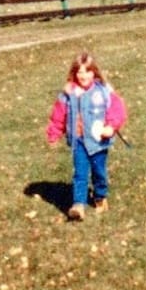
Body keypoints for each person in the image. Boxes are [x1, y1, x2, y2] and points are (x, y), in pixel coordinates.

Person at [45, 52, 128, 221]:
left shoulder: (103, 91)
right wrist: (54, 134)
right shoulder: (68, 94)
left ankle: (99, 195)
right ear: (74, 73)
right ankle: (78, 205)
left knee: (99, 172)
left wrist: (111, 126)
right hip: (78, 141)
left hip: (98, 141)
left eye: (87, 71)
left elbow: (117, 110)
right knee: (80, 174)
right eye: (79, 72)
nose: (83, 76)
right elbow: (58, 115)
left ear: (94, 73)